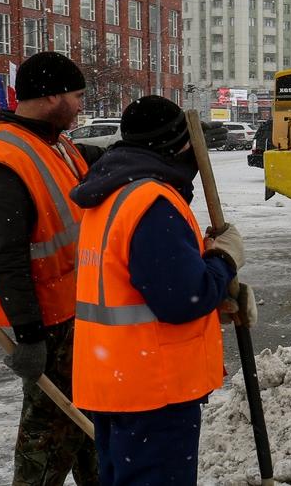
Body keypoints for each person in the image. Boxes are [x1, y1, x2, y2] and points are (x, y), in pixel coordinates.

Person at [68, 95, 252, 485]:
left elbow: (135, 288)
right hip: (153, 392)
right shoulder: (151, 203)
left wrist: (215, 288)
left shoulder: (109, 194)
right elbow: (183, 299)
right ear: (179, 145)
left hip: (115, 383)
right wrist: (223, 260)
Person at [0, 51, 100, 486]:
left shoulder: (54, 141)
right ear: (50, 96)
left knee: (89, 425)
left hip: (79, 311)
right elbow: (5, 255)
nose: (82, 105)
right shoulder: (6, 159)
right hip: (51, 323)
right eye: (77, 95)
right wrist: (28, 334)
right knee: (46, 436)